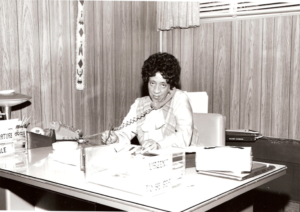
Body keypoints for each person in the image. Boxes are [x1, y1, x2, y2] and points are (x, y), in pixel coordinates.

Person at [101, 52, 199, 152]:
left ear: (171, 86)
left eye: (163, 85)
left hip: (182, 161)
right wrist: (116, 138)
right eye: (152, 83)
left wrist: (159, 145)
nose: (156, 91)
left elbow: (184, 136)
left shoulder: (180, 99)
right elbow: (125, 132)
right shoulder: (140, 104)